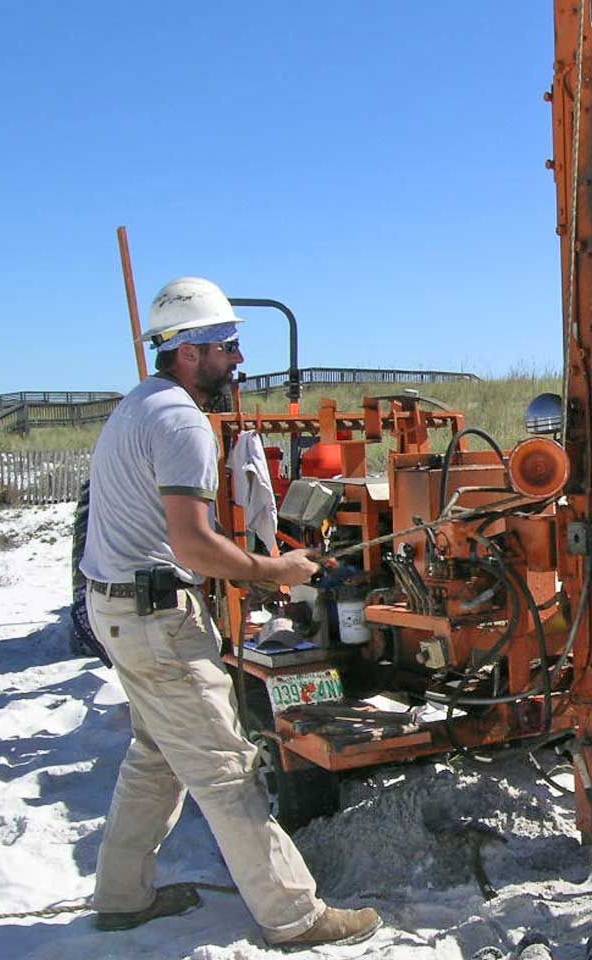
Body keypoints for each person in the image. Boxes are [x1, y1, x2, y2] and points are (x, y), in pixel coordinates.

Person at [80, 276, 381, 948]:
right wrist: (274, 568)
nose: (238, 360)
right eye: (228, 346)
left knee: (157, 753)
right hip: (156, 619)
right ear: (189, 351)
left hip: (120, 611)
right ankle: (295, 916)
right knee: (227, 769)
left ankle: (122, 897)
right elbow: (191, 542)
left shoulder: (138, 404)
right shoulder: (181, 420)